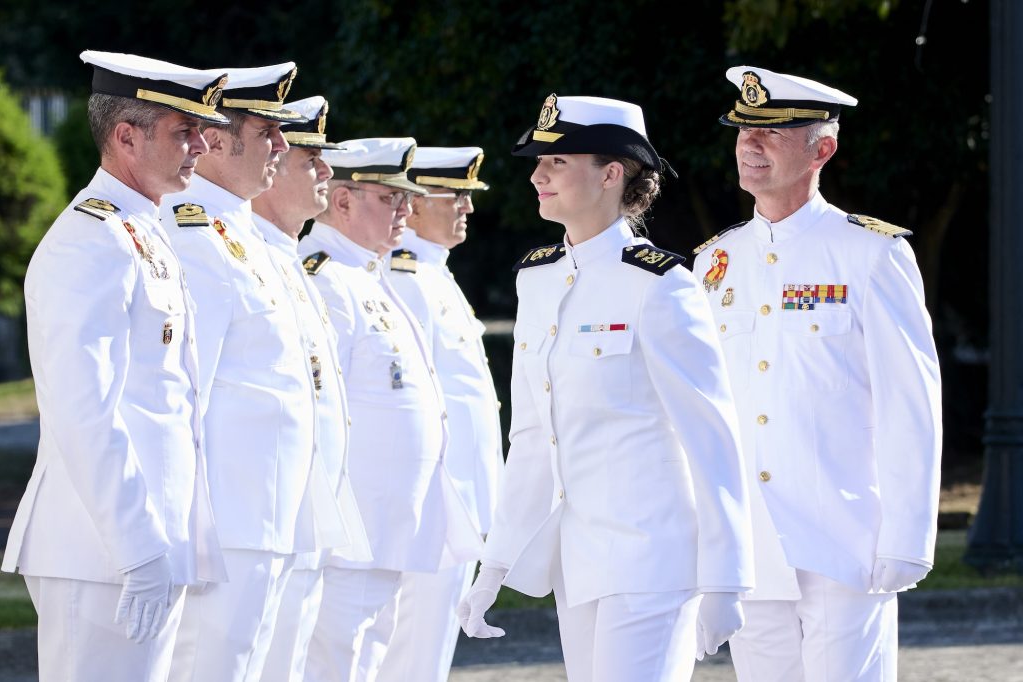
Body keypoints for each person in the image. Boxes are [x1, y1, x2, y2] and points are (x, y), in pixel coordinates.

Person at [457, 94, 755, 682]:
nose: (537, 174)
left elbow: (712, 437)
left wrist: (726, 578)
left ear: (611, 174)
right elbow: (534, 437)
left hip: (652, 559)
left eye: (558, 161)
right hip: (581, 562)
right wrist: (494, 564)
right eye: (538, 161)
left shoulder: (661, 285)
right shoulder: (538, 278)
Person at [693, 66, 942, 681]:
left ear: (821, 149)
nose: (750, 145)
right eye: (743, 130)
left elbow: (910, 403)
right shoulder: (713, 263)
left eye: (771, 133)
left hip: (844, 539)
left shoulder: (871, 253)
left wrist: (909, 536)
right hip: (754, 546)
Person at [0, 51, 229, 681]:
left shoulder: (142, 230)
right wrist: (138, 550)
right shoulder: (90, 241)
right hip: (103, 551)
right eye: (183, 131)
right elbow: (84, 412)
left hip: (147, 544)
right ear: (125, 136)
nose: (202, 145)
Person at [159, 63, 349, 682]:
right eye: (268, 132)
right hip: (227, 527)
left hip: (275, 516)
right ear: (216, 140)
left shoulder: (249, 238)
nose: (283, 147)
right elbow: (183, 394)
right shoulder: (192, 235)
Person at [297, 138, 483, 682]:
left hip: (387, 528)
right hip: (351, 533)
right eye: (389, 197)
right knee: (335, 664)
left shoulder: (368, 275)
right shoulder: (326, 278)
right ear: (343, 201)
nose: (406, 208)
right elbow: (321, 413)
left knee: (369, 659)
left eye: (407, 197)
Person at [252, 95, 372, 682]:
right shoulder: (244, 255)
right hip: (255, 523)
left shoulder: (286, 260)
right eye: (312, 160)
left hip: (303, 517)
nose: (327, 172)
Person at [376, 147, 503, 682]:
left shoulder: (433, 271)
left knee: (424, 654)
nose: (467, 208)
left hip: (454, 504)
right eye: (456, 195)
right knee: (407, 653)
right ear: (417, 202)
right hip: (431, 506)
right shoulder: (402, 274)